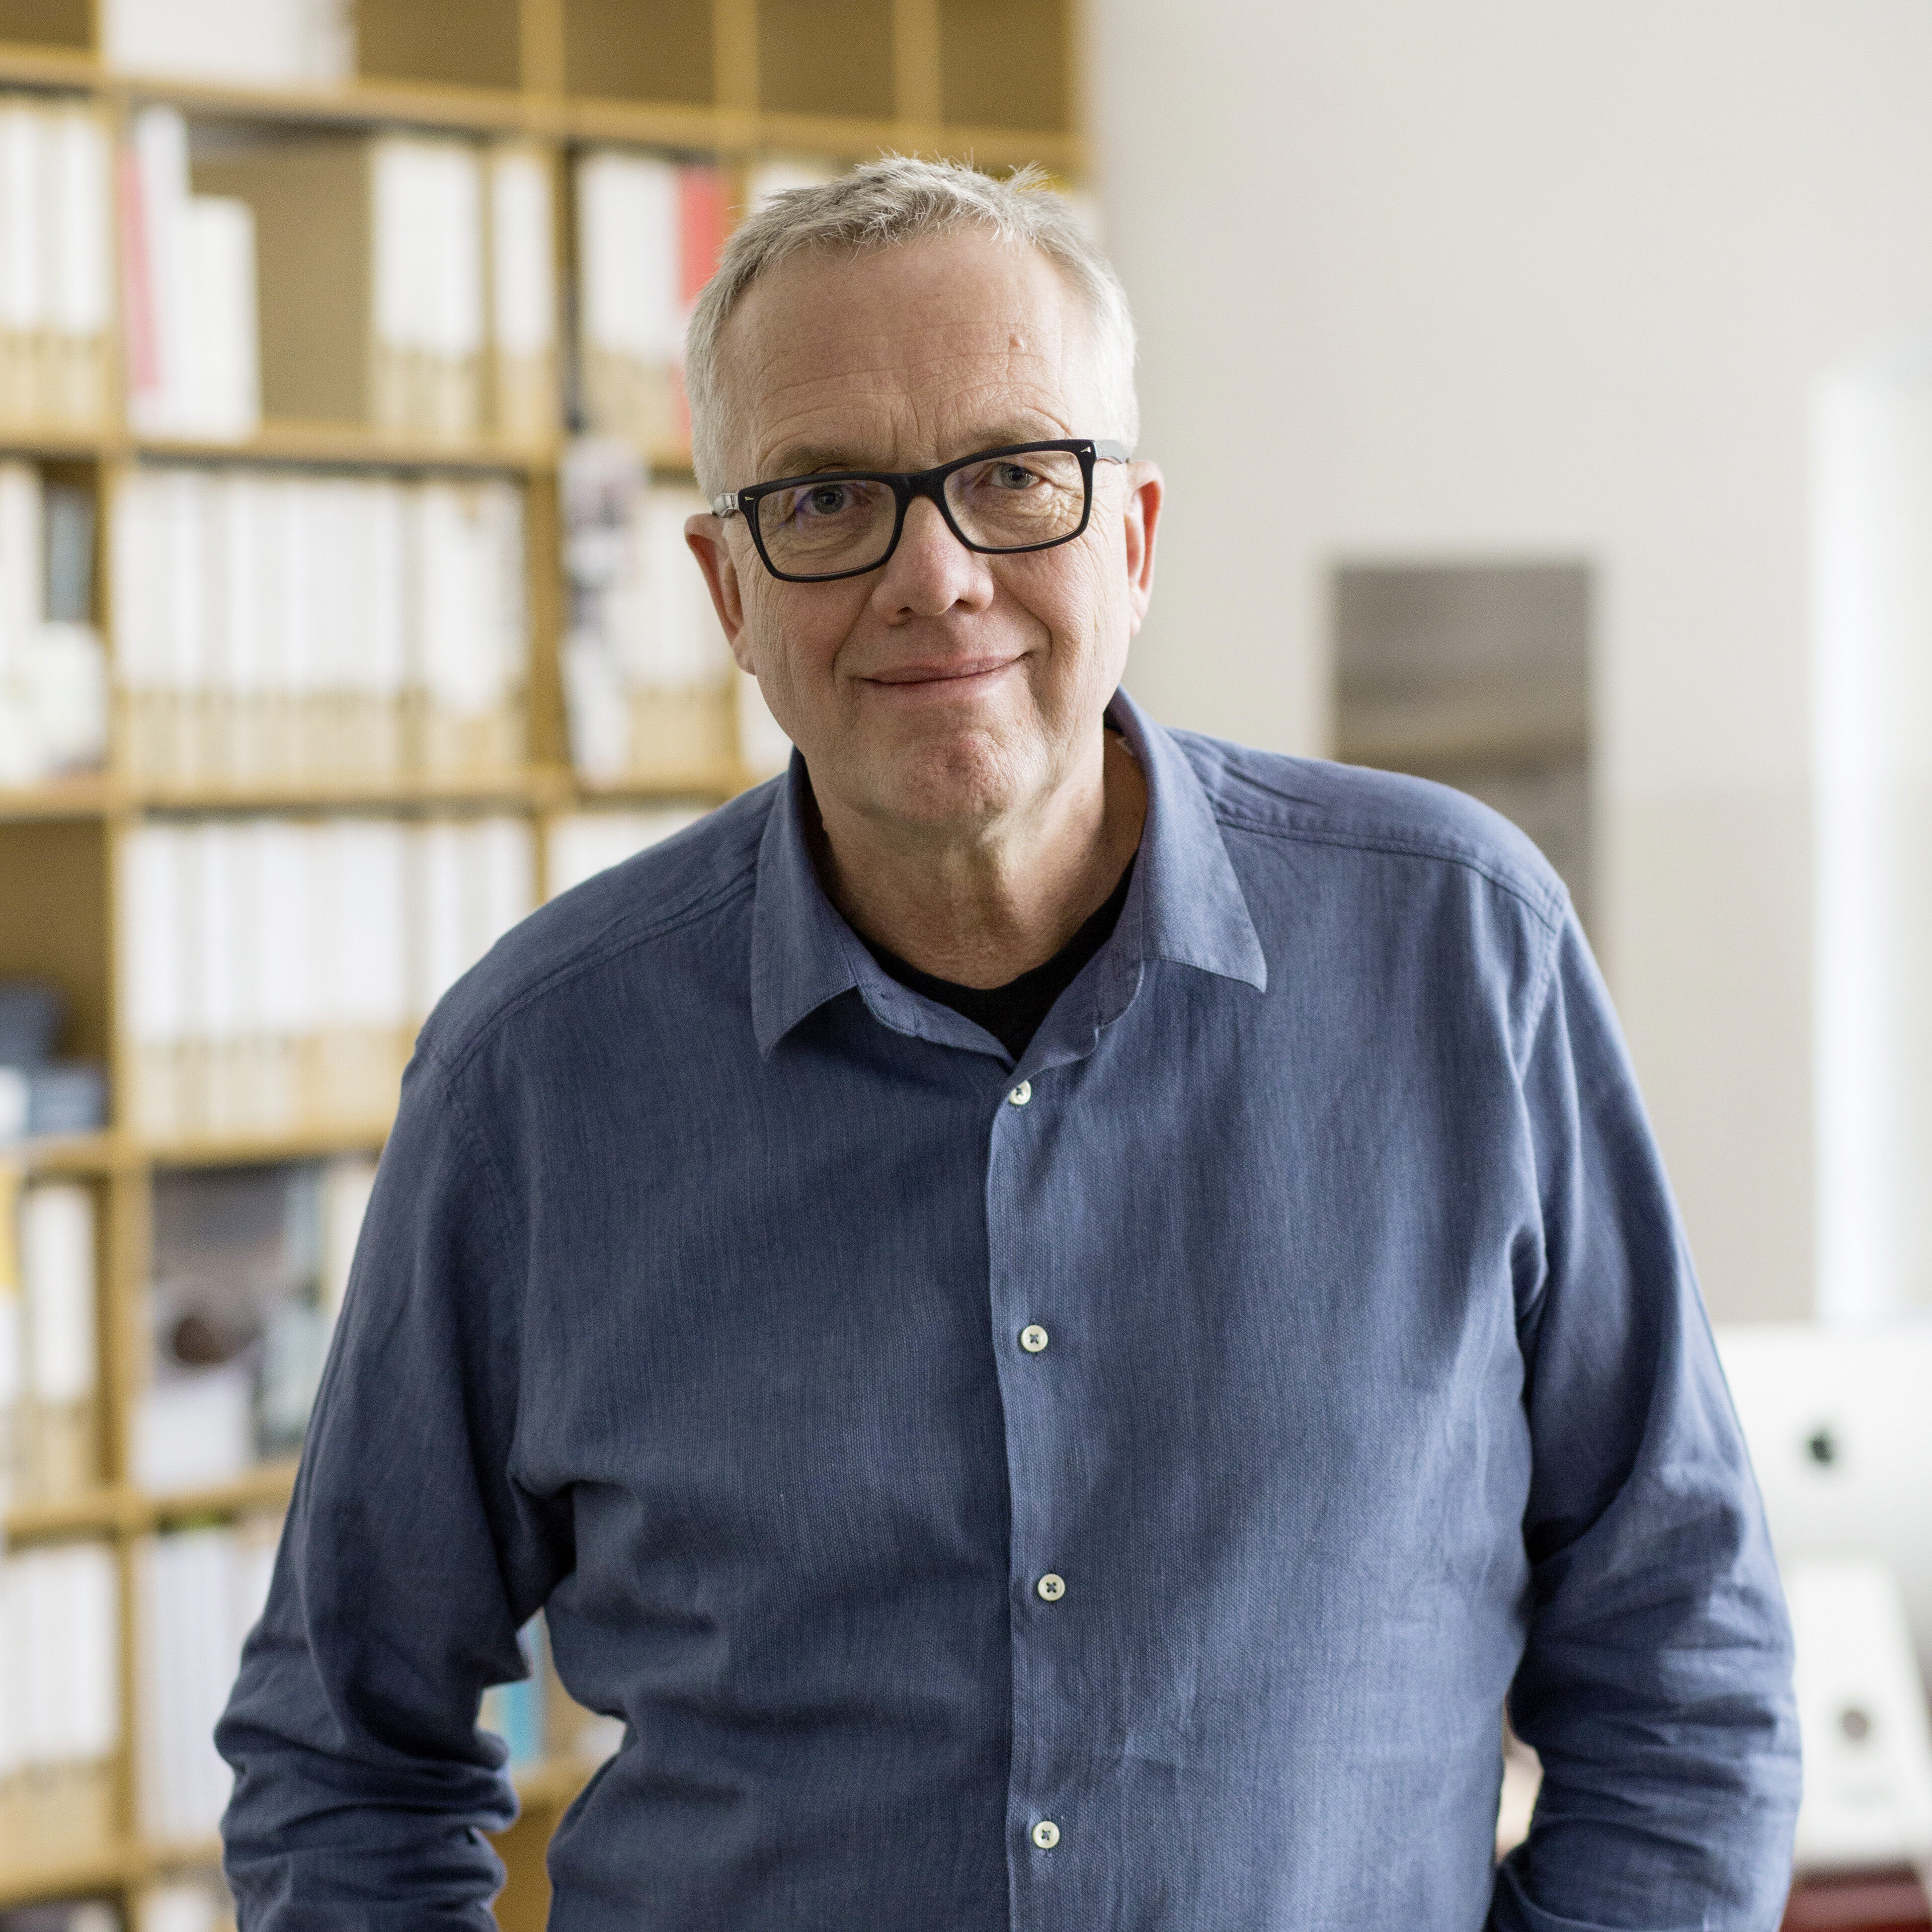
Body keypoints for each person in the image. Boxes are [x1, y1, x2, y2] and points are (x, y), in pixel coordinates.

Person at [218, 157, 1799, 1930]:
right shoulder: (535, 1072)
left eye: (1013, 478)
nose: (936, 576)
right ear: (727, 586)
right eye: (825, 499)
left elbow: (1685, 1666)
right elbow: (343, 1752)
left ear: (1130, 537)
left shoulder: (1462, 953)